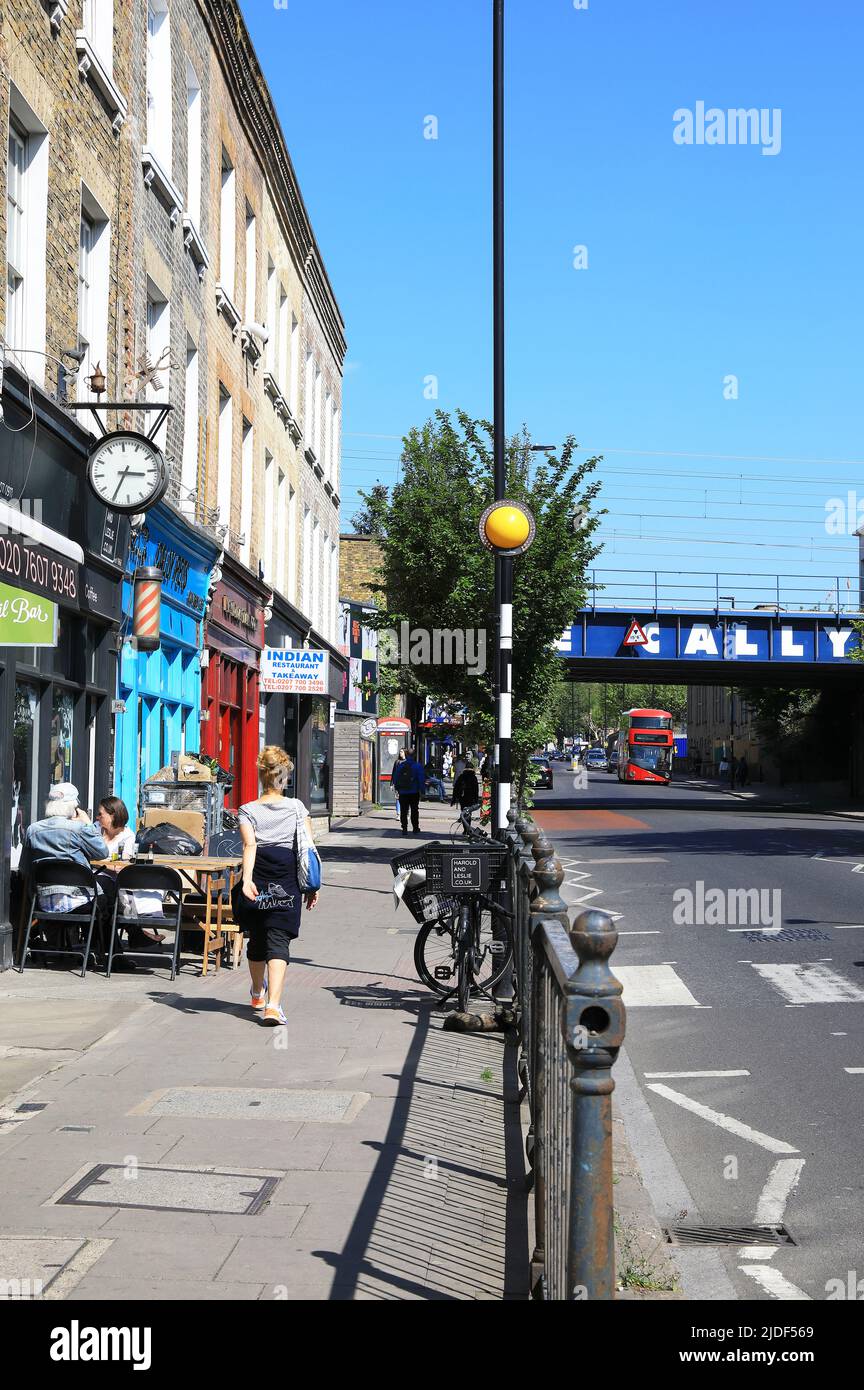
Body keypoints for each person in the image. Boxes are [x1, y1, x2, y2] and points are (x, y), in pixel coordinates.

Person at [237, 746, 319, 1027]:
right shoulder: (298, 808)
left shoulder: (247, 810)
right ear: (283, 778)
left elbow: (250, 845)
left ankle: (258, 992)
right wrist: (312, 885)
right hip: (287, 877)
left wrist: (247, 880)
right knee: (279, 940)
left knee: (258, 938)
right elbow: (308, 848)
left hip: (258, 876)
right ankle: (273, 1006)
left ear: (261, 776)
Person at [19, 784, 133, 969]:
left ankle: (88, 951)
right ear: (74, 806)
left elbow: (25, 868)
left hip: (44, 902)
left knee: (101, 900)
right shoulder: (79, 829)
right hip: (79, 902)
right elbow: (102, 851)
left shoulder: (33, 830)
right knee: (105, 902)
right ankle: (107, 955)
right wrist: (88, 824)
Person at [96, 796, 164, 946]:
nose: (97, 817)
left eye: (101, 814)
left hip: (114, 881)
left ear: (113, 815)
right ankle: (134, 933)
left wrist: (101, 864)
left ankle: (123, 939)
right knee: (109, 896)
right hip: (94, 879)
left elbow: (122, 866)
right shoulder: (95, 829)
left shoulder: (127, 836)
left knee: (111, 894)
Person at [393, 748, 425, 835]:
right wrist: (422, 790)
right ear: (414, 755)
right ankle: (415, 828)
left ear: (406, 755)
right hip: (414, 792)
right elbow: (421, 779)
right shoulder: (417, 766)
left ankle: (404, 828)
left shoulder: (401, 766)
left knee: (404, 810)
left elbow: (396, 778)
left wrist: (397, 789)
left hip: (403, 792)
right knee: (414, 810)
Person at [452, 760, 480, 830]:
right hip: (471, 797)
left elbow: (456, 787)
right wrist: (476, 800)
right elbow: (476, 789)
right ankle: (468, 828)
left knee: (463, 812)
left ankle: (465, 828)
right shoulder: (474, 778)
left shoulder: (462, 776)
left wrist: (454, 798)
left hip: (463, 797)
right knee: (469, 813)